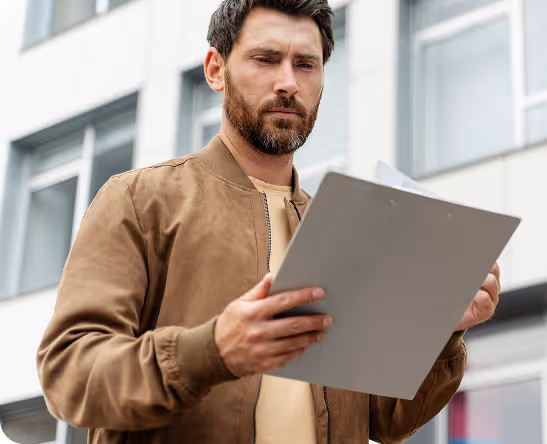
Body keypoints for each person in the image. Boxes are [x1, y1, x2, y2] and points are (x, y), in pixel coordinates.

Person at [35, 1, 501, 443]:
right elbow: (69, 374)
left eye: (306, 64)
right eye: (266, 59)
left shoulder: (345, 230)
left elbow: (386, 419)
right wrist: (213, 351)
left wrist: (441, 331)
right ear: (215, 70)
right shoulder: (140, 200)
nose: (288, 83)